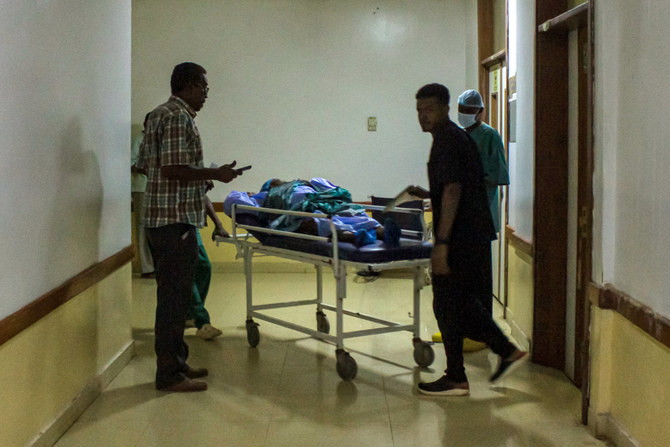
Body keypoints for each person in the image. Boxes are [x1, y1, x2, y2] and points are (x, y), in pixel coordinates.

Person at [411, 83, 527, 396]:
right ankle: (505, 350)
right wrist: (428, 194)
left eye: (429, 110)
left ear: (446, 108)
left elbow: (453, 190)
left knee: (447, 302)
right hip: (472, 232)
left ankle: (457, 377)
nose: (423, 117)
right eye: (419, 111)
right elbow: (453, 185)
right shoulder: (453, 138)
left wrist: (443, 244)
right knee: (463, 301)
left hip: (461, 236)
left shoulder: (448, 140)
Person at [137, 62, 246, 392]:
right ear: (187, 86)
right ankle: (168, 375)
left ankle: (178, 365)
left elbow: (145, 165)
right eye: (203, 88)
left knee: (175, 298)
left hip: (160, 218)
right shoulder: (177, 117)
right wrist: (214, 174)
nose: (206, 94)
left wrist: (195, 178)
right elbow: (171, 168)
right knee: (173, 302)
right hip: (174, 221)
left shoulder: (155, 115)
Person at [223, 177, 401, 246]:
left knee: (348, 213)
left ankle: (375, 232)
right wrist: (251, 195)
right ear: (269, 187)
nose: (279, 180)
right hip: (305, 205)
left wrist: (246, 196)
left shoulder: (303, 184)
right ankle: (369, 232)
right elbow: (231, 201)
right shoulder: (266, 196)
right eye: (274, 181)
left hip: (321, 201)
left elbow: (233, 199)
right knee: (318, 219)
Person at [186, 196, 226, 340]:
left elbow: (204, 197)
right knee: (187, 272)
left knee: (203, 266)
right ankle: (203, 322)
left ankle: (190, 315)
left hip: (191, 224)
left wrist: (218, 224)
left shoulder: (199, 180)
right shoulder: (179, 175)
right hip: (175, 224)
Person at [130, 114, 154, 278]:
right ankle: (147, 268)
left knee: (155, 228)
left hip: (156, 189)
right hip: (141, 188)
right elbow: (130, 163)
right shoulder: (139, 139)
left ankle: (156, 265)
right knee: (142, 227)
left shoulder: (158, 139)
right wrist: (142, 169)